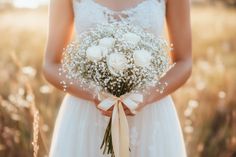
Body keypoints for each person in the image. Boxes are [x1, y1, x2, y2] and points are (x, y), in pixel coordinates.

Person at [43, 0, 192, 156]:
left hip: (150, 115)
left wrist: (147, 95)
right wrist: (93, 93)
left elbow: (184, 62)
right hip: (87, 113)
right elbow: (51, 65)